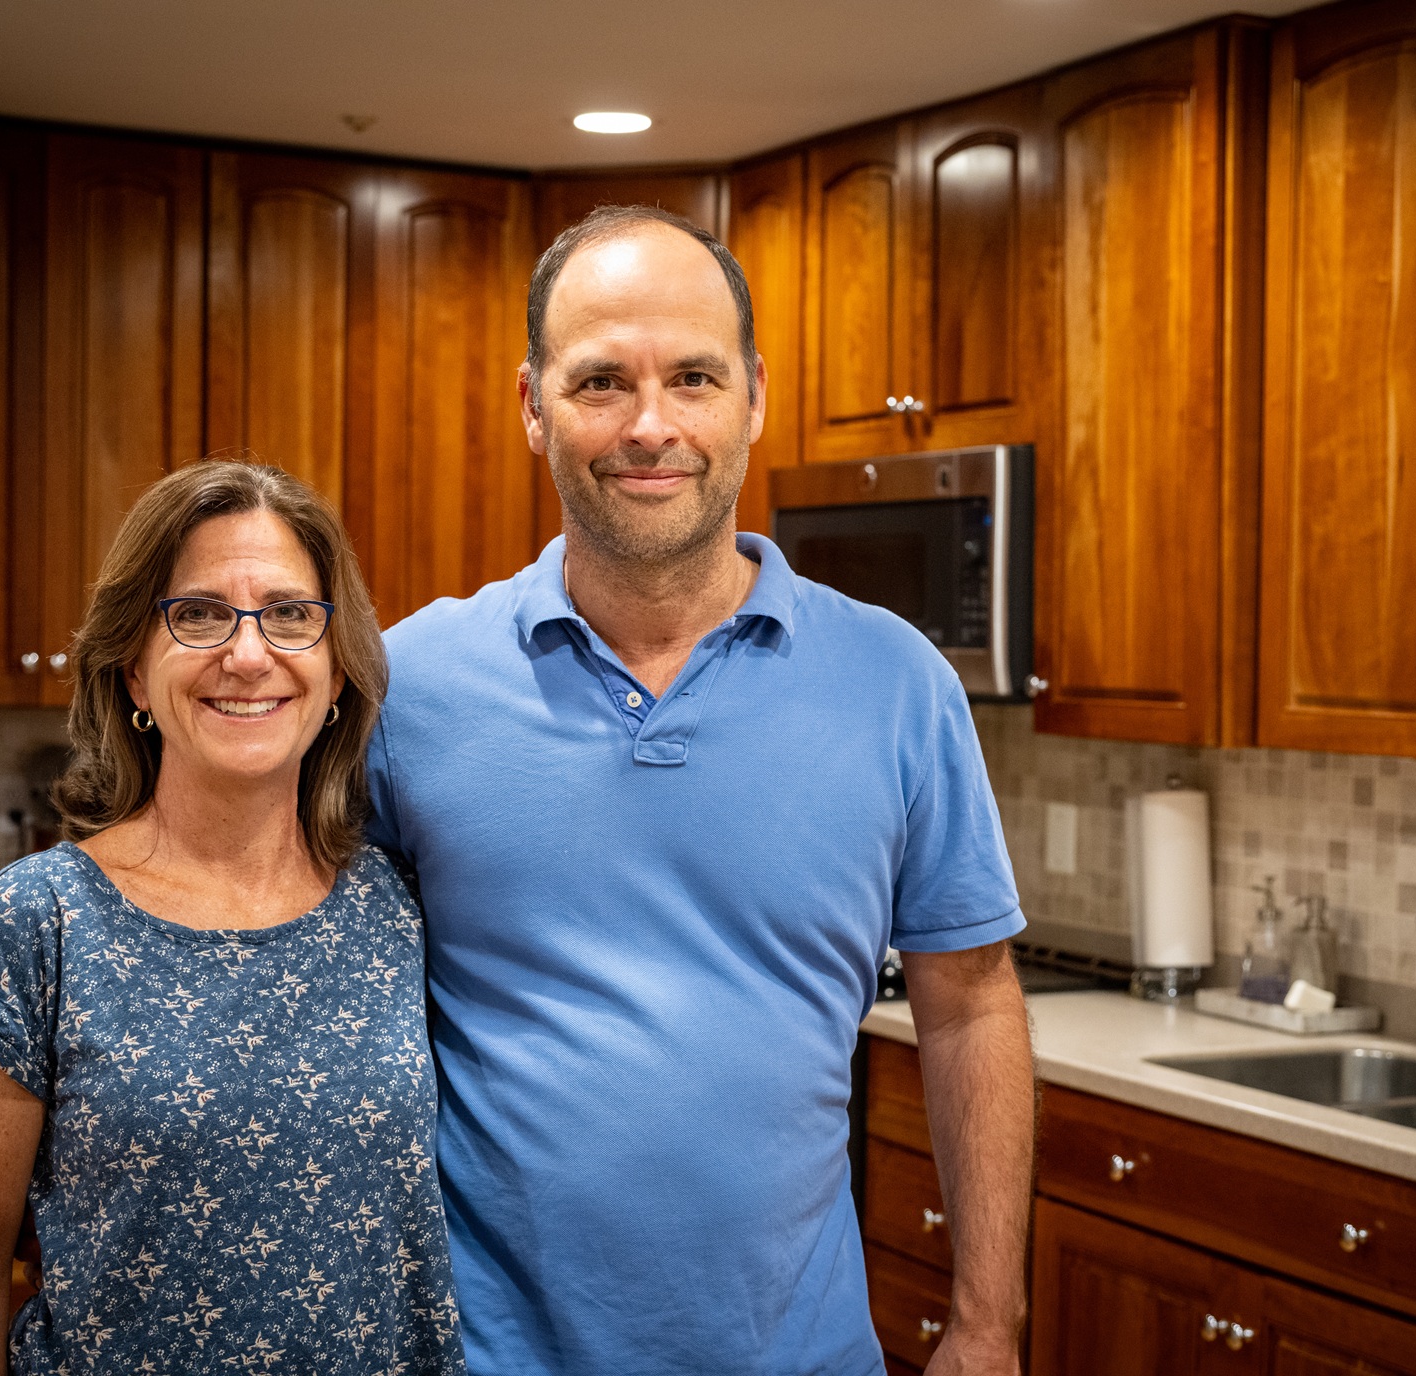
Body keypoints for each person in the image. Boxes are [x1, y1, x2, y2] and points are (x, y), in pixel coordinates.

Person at [366, 205, 1035, 1375]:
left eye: (692, 376)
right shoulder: (408, 685)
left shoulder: (897, 684)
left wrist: (988, 1320)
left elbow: (971, 1001)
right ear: (531, 404)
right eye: (599, 383)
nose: (651, 425)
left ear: (754, 395)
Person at [0, 461, 463, 1375]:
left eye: (290, 614)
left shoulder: (399, 904)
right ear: (134, 666)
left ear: (334, 673)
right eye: (198, 615)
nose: (248, 655)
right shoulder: (37, 923)